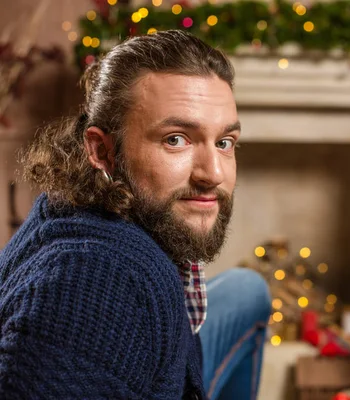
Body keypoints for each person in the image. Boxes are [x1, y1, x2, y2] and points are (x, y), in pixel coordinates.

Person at [0, 30, 271, 400]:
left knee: (247, 289)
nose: (213, 174)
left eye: (224, 143)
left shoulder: (77, 206)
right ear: (101, 150)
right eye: (176, 139)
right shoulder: (95, 283)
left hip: (163, 350)